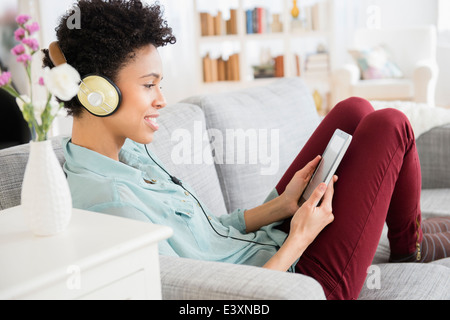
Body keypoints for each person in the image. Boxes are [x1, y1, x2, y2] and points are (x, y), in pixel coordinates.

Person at [42, 0, 450, 300]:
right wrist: (299, 239)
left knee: (354, 109)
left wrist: (284, 206)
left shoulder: (127, 155)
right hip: (297, 280)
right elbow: (213, 299)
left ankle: (408, 234)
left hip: (275, 241)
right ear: (96, 95)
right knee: (391, 124)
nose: (162, 99)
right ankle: (408, 246)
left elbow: (209, 236)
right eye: (149, 85)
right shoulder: (113, 207)